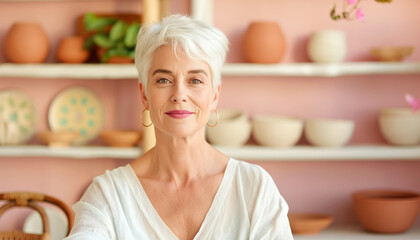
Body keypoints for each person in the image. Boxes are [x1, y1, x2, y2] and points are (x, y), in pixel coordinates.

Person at [65, 14, 293, 240]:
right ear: (144, 94)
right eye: (164, 80)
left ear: (214, 95)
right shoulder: (109, 196)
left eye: (195, 80)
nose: (179, 95)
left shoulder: (254, 188)